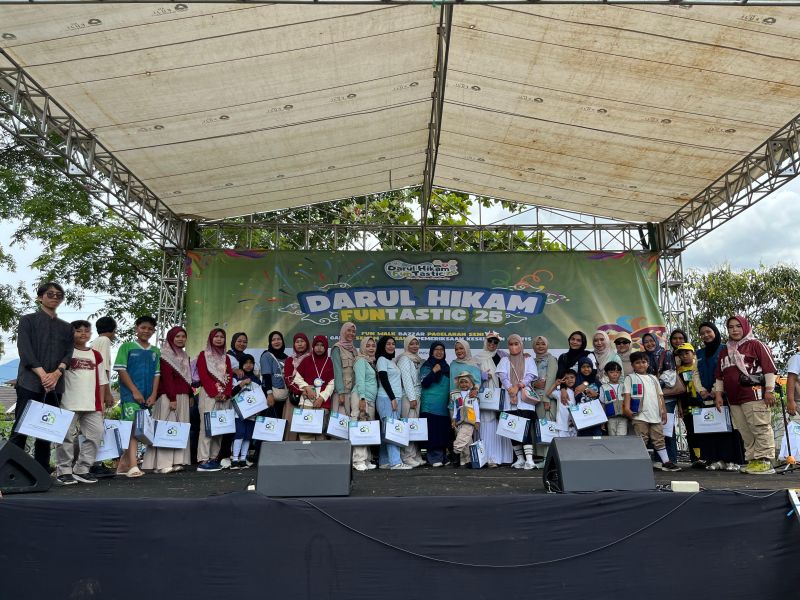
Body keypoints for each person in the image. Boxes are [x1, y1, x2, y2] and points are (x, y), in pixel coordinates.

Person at [12, 282, 74, 472]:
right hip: (29, 382)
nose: (55, 297)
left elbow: (68, 354)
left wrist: (56, 374)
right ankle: (12, 471)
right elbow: (25, 350)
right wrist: (43, 375)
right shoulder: (27, 320)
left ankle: (41, 471)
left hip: (56, 384)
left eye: (59, 295)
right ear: (40, 297)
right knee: (21, 427)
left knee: (46, 430)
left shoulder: (67, 327)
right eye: (50, 294)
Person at [714, 315, 777, 475]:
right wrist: (718, 395)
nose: (734, 330)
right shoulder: (725, 350)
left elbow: (769, 369)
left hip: (754, 394)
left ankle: (765, 461)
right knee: (744, 430)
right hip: (734, 398)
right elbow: (719, 376)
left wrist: (769, 390)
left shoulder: (755, 344)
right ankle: (753, 460)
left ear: (745, 327)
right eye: (731, 327)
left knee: (760, 427)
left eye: (738, 326)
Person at [54, 320, 109, 485]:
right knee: (65, 437)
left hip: (92, 404)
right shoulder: (64, 353)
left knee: (96, 434)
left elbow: (102, 381)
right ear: (71, 333)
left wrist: (101, 404)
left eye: (86, 330)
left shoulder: (96, 355)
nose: (83, 333)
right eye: (78, 331)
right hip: (67, 402)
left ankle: (82, 469)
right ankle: (64, 471)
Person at [142, 326, 193, 474]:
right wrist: (172, 398)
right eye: (177, 336)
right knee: (167, 428)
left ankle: (177, 461)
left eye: (183, 336)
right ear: (171, 338)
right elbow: (167, 379)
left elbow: (187, 379)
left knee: (179, 429)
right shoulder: (165, 355)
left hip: (183, 397)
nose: (180, 339)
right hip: (169, 397)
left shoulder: (184, 356)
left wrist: (190, 395)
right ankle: (162, 464)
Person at [114, 315, 160, 478]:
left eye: (150, 329)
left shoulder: (155, 351)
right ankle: (133, 466)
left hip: (147, 398)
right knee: (133, 427)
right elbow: (121, 369)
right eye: (143, 327)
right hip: (130, 396)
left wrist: (154, 394)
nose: (146, 331)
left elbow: (157, 374)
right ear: (136, 328)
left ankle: (123, 465)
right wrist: (134, 391)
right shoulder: (126, 347)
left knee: (141, 429)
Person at [694, 321, 744, 471]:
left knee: (729, 429)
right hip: (705, 398)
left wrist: (716, 391)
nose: (706, 335)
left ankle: (732, 460)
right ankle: (716, 460)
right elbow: (695, 374)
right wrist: (701, 390)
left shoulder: (725, 349)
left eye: (708, 332)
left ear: (715, 332)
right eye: (702, 333)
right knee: (711, 429)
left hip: (724, 396)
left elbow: (725, 372)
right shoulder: (699, 353)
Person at [624, 351, 680, 472]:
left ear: (648, 364)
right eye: (637, 363)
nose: (641, 365)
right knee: (641, 438)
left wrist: (663, 411)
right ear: (632, 365)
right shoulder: (630, 378)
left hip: (655, 414)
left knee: (659, 437)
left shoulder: (653, 378)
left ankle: (666, 461)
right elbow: (627, 394)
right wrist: (627, 409)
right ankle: (640, 462)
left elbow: (660, 396)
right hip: (639, 415)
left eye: (643, 362)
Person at [496, 334, 538, 469]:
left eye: (516, 344)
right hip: (509, 399)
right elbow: (502, 376)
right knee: (511, 428)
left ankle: (529, 460)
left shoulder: (528, 359)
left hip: (524, 400)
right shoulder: (504, 360)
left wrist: (517, 386)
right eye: (511, 344)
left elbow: (530, 375)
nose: (513, 347)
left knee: (525, 429)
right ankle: (520, 459)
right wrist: (511, 389)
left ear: (521, 344)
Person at [196, 328, 233, 472]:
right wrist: (214, 392)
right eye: (216, 336)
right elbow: (203, 375)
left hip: (224, 397)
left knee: (220, 427)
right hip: (209, 395)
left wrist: (226, 393)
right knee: (207, 427)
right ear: (211, 338)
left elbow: (229, 376)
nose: (219, 339)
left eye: (222, 337)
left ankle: (213, 458)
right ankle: (203, 459)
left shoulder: (226, 358)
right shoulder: (203, 355)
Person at [475, 331, 513, 467]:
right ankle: (488, 457)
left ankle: (503, 457)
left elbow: (513, 368)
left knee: (501, 423)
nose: (492, 344)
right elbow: (472, 377)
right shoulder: (477, 358)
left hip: (503, 395)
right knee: (488, 424)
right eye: (490, 341)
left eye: (495, 342)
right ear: (485, 342)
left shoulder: (503, 356)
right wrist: (483, 376)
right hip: (487, 396)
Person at [374, 335, 410, 469]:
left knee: (386, 430)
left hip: (394, 398)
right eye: (388, 344)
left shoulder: (391, 361)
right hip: (387, 398)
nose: (391, 346)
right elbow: (383, 379)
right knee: (392, 430)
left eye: (393, 344)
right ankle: (396, 462)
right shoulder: (382, 360)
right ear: (383, 345)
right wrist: (393, 398)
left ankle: (384, 461)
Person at [89, 316, 118, 478]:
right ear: (113, 330)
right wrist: (107, 393)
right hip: (98, 389)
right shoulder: (105, 341)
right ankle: (95, 464)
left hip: (91, 388)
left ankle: (93, 462)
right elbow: (104, 369)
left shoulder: (95, 341)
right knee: (96, 427)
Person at [293, 335, 334, 442]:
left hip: (322, 403)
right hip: (307, 401)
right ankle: (306, 452)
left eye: (322, 345)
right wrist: (307, 387)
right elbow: (297, 378)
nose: (319, 348)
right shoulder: (307, 360)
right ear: (313, 346)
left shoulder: (330, 362)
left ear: (326, 347)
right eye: (317, 345)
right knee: (305, 433)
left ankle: (319, 453)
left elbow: (332, 383)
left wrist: (322, 398)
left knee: (320, 434)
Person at [419, 342, 451, 467]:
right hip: (430, 406)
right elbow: (425, 383)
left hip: (444, 406)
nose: (439, 352)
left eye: (441, 349)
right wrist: (433, 371)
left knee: (442, 430)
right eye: (436, 349)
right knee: (433, 431)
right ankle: (433, 457)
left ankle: (442, 456)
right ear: (431, 352)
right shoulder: (427, 366)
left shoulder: (446, 367)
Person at [674, 343, 706, 469]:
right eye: (681, 354)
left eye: (687, 353)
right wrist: (679, 406)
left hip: (699, 404)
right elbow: (678, 391)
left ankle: (705, 456)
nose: (684, 356)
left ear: (693, 353)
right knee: (690, 430)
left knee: (702, 429)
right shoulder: (678, 370)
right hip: (686, 405)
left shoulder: (698, 366)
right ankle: (695, 458)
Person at [396, 334, 424, 468]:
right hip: (408, 397)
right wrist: (412, 398)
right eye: (411, 344)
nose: (414, 346)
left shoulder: (417, 359)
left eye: (416, 343)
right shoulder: (404, 359)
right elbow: (406, 380)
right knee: (409, 426)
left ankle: (415, 454)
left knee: (415, 427)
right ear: (406, 345)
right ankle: (407, 456)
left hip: (417, 396)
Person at [351, 336, 378, 471]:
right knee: (360, 428)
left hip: (370, 399)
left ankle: (366, 459)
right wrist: (362, 398)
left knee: (367, 430)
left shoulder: (370, 362)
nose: (371, 348)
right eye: (368, 346)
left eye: (373, 345)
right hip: (361, 397)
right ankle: (358, 460)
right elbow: (360, 380)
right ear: (362, 347)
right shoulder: (361, 361)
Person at [230, 354, 261, 468]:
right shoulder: (236, 378)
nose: (248, 365)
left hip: (252, 413)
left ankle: (243, 459)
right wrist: (242, 383)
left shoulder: (257, 380)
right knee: (239, 434)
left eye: (251, 363)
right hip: (239, 413)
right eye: (246, 363)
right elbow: (231, 393)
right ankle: (235, 458)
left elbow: (260, 397)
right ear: (241, 364)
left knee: (248, 436)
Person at [283, 332, 310, 441]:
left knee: (307, 425)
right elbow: (288, 379)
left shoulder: (312, 358)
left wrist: (308, 390)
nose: (300, 344)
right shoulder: (290, 360)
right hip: (294, 397)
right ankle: (290, 449)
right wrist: (300, 391)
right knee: (291, 426)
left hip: (310, 396)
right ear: (294, 345)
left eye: (302, 341)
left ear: (307, 343)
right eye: (297, 342)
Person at [450, 372, 481, 467]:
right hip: (459, 421)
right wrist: (454, 419)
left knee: (461, 438)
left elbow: (476, 408)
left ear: (470, 383)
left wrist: (477, 421)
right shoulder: (456, 395)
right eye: (462, 382)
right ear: (459, 384)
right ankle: (469, 460)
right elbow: (456, 408)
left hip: (470, 421)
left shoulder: (472, 395)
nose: (464, 384)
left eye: (466, 382)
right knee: (467, 441)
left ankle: (455, 453)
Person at [260, 330, 289, 420]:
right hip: (271, 395)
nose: (276, 342)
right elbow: (266, 376)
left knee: (280, 421)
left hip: (283, 396)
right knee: (270, 422)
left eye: (279, 339)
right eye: (273, 340)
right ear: (270, 342)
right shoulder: (266, 355)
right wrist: (269, 395)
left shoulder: (287, 358)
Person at [332, 322, 357, 416]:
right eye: (348, 330)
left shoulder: (354, 350)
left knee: (350, 420)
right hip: (341, 393)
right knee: (339, 421)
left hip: (352, 392)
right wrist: (340, 392)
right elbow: (337, 371)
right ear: (343, 331)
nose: (351, 333)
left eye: (353, 331)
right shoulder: (337, 348)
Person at [531, 336, 559, 422]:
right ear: (533, 346)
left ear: (547, 346)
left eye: (543, 344)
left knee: (547, 425)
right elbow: (527, 380)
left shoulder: (551, 359)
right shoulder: (531, 361)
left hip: (546, 399)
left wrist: (546, 400)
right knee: (537, 427)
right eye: (537, 344)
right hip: (533, 400)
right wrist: (534, 384)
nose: (540, 346)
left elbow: (551, 380)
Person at [574, 356, 603, 437]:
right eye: (583, 367)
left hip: (596, 415)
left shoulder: (596, 380)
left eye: (588, 367)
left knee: (597, 437)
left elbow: (603, 397)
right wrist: (585, 388)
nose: (586, 369)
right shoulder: (576, 380)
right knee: (584, 438)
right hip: (582, 415)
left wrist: (596, 395)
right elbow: (575, 395)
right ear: (579, 368)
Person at [548, 369, 578, 438]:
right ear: (563, 380)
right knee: (563, 443)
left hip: (575, 425)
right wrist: (555, 384)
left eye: (572, 377)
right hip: (562, 425)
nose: (570, 380)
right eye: (566, 378)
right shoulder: (560, 392)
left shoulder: (577, 391)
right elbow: (548, 394)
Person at [600, 361, 627, 436]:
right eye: (611, 372)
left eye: (617, 372)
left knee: (622, 436)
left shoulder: (624, 386)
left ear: (620, 373)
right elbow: (603, 405)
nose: (615, 374)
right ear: (606, 374)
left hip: (623, 417)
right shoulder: (603, 387)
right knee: (612, 437)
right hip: (610, 418)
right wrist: (603, 422)